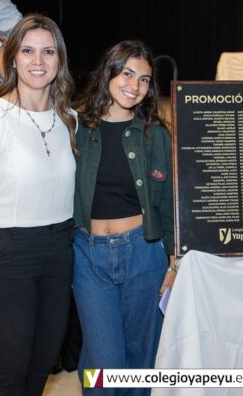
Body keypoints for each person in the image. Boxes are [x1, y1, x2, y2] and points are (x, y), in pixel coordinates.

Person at [0, 14, 77, 395]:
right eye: (27, 51)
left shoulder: (68, 118)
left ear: (59, 59)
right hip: (7, 255)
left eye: (48, 51)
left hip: (59, 252)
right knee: (12, 369)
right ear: (13, 59)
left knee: (43, 361)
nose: (37, 60)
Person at [72, 40, 176, 395]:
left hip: (144, 254)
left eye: (144, 79)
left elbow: (168, 203)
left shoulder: (155, 134)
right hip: (88, 256)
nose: (135, 85)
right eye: (127, 74)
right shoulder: (75, 128)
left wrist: (174, 263)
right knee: (104, 362)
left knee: (142, 360)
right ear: (108, 73)